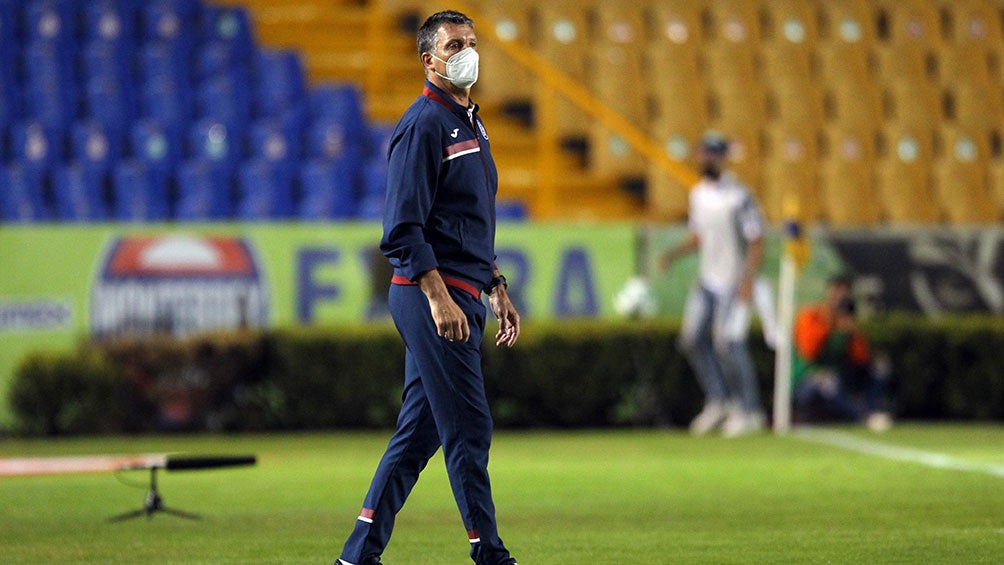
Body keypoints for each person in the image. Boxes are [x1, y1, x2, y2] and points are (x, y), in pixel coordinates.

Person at [332, 10, 520, 565]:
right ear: (428, 59)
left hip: (464, 288)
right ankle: (488, 550)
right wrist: (438, 296)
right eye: (454, 44)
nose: (467, 51)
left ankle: (358, 553)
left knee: (418, 436)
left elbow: (467, 220)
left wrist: (495, 284)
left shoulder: (470, 122)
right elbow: (402, 230)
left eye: (471, 42)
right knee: (469, 423)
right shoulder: (425, 124)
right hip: (430, 293)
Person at [659, 131, 767, 437]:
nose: (706, 159)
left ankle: (749, 409)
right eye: (702, 153)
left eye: (712, 154)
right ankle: (719, 400)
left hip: (732, 281)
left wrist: (748, 279)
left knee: (728, 342)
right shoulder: (699, 194)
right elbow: (699, 236)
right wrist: (673, 254)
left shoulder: (739, 196)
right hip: (708, 280)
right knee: (692, 339)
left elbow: (756, 239)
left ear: (722, 157)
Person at [792, 274, 892, 431]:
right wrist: (829, 325)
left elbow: (861, 359)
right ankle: (863, 417)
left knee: (880, 368)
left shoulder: (847, 319)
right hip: (807, 380)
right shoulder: (810, 316)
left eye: (844, 291)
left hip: (839, 378)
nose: (840, 296)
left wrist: (852, 333)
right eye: (837, 290)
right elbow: (809, 351)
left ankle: (868, 409)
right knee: (826, 381)